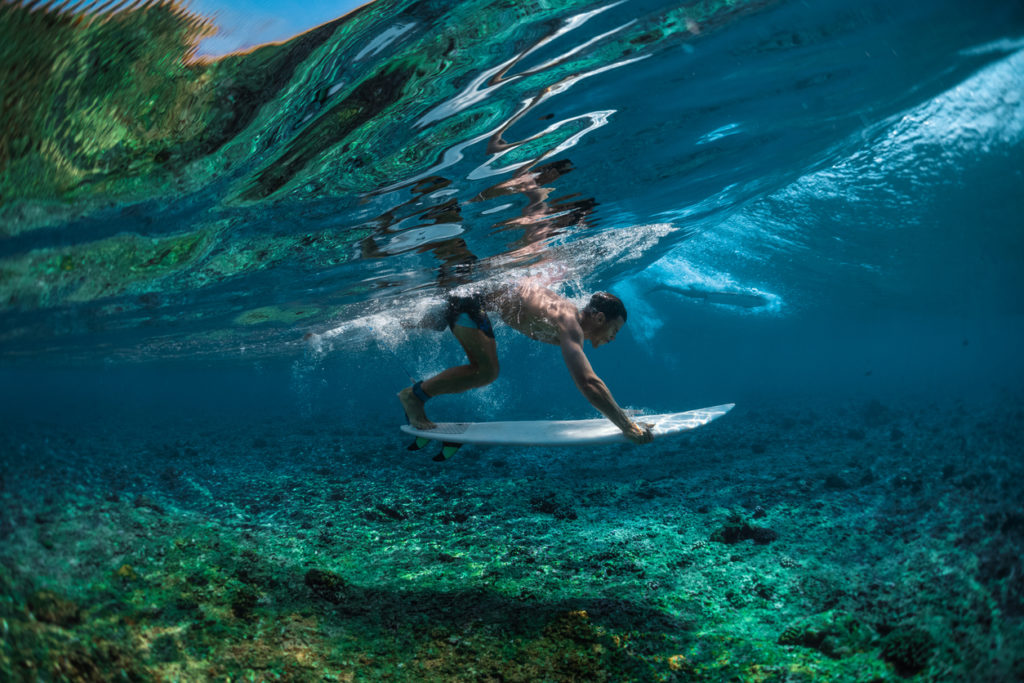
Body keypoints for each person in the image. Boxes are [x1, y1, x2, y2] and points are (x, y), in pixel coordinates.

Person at [398, 278, 654, 444]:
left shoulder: (569, 322)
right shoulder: (570, 323)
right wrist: (625, 424)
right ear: (599, 318)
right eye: (615, 331)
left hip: (475, 299)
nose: (613, 338)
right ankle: (414, 396)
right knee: (486, 372)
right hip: (471, 299)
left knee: (424, 325)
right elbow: (588, 382)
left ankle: (413, 320)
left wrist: (617, 410)